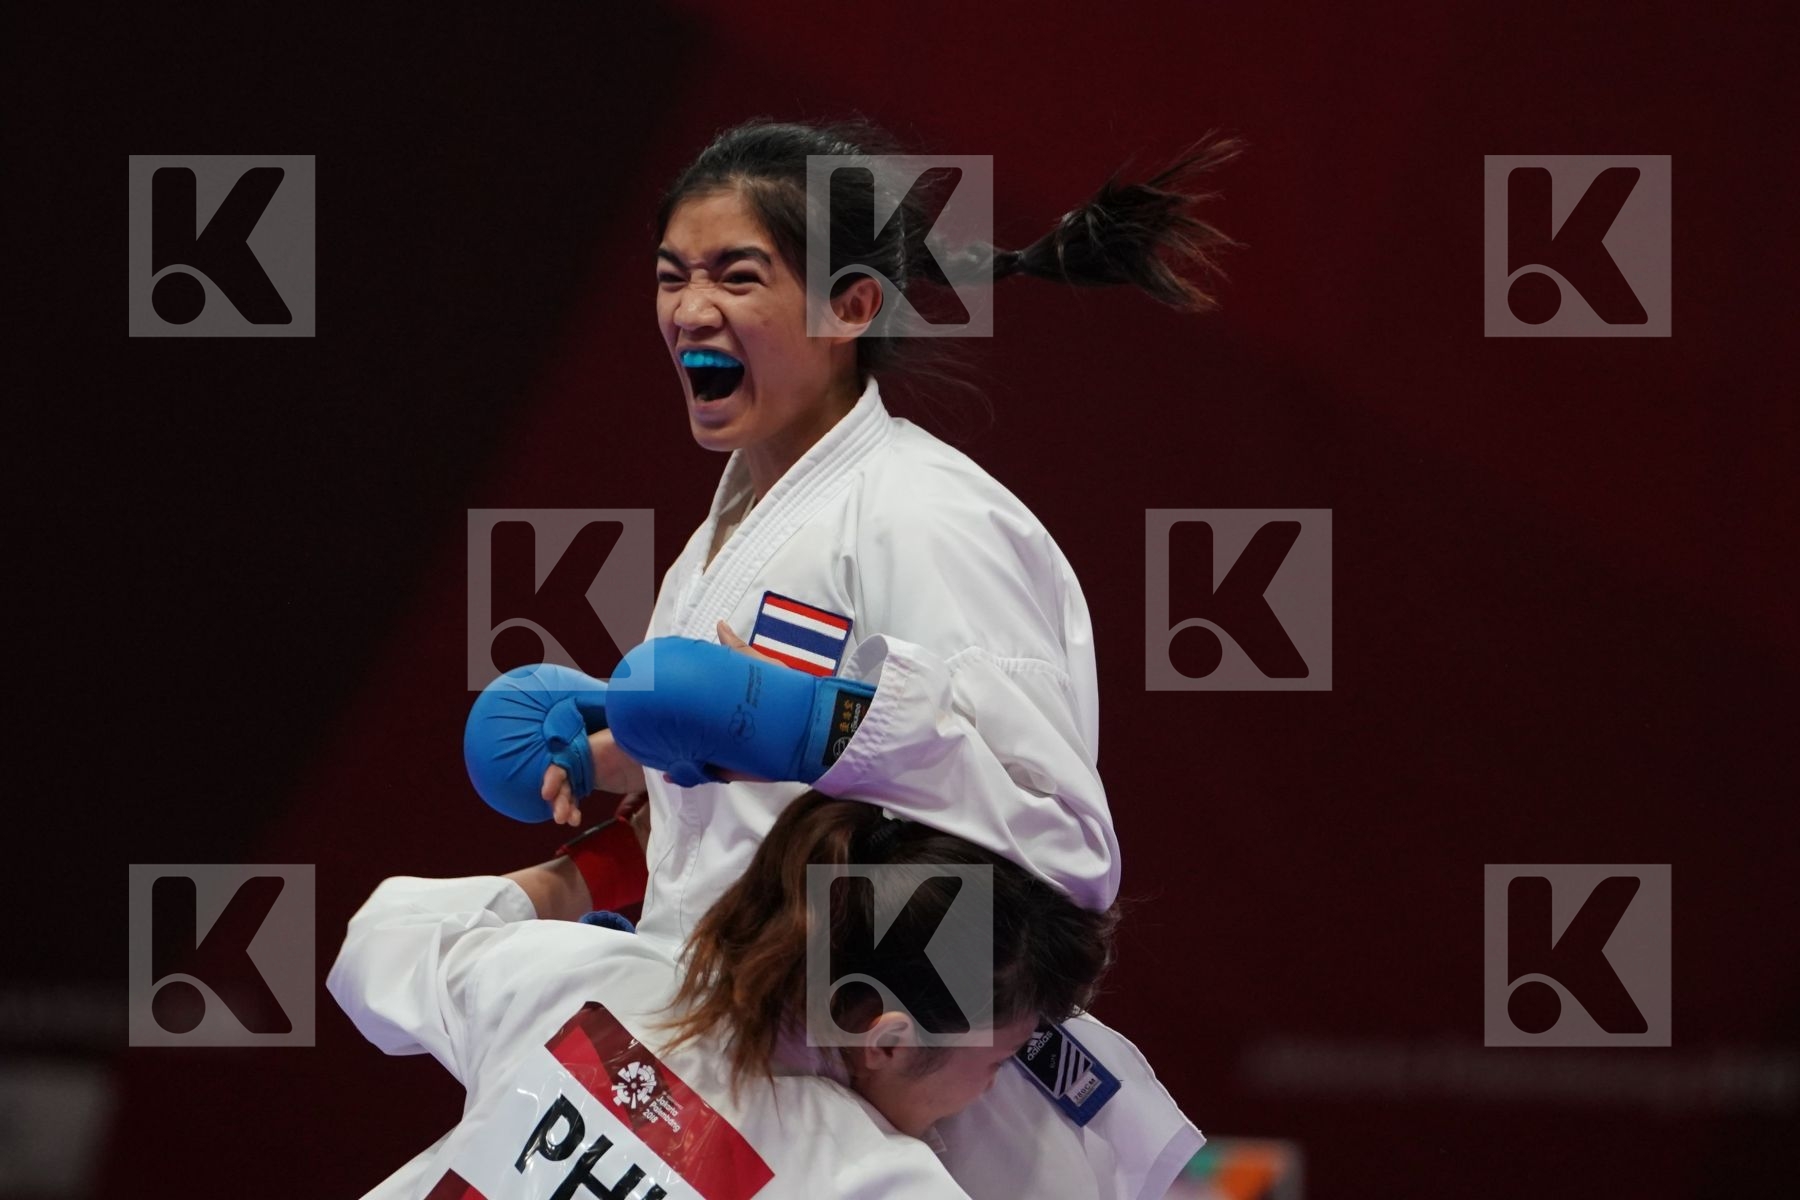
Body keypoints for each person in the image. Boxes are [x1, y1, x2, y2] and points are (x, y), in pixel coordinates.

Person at [533, 116, 1240, 1198]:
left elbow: (1049, 843)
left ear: (850, 305)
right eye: (672, 276)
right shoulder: (726, 532)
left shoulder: (926, 518)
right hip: (762, 1077)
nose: (689, 310)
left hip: (922, 1097)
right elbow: (768, 804)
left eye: (738, 275)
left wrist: (900, 1067)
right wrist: (625, 767)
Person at [328, 791, 1116, 1199]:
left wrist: (612, 865)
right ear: (887, 1041)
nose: (986, 1094)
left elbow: (382, 942)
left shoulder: (592, 980)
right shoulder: (865, 1178)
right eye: (997, 1060)